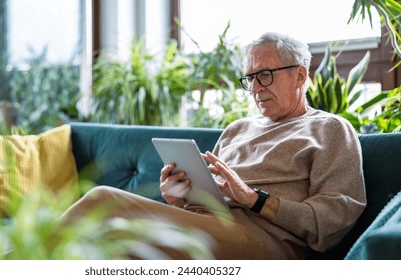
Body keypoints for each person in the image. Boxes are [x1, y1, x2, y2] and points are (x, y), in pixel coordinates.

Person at [62, 32, 367, 259]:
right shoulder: (238, 129)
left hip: (263, 244)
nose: (256, 89)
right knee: (105, 244)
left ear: (299, 75)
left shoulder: (330, 129)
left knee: (103, 200)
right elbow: (208, 202)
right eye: (250, 79)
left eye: (264, 75)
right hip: (211, 229)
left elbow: (331, 222)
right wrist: (179, 198)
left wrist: (254, 199)